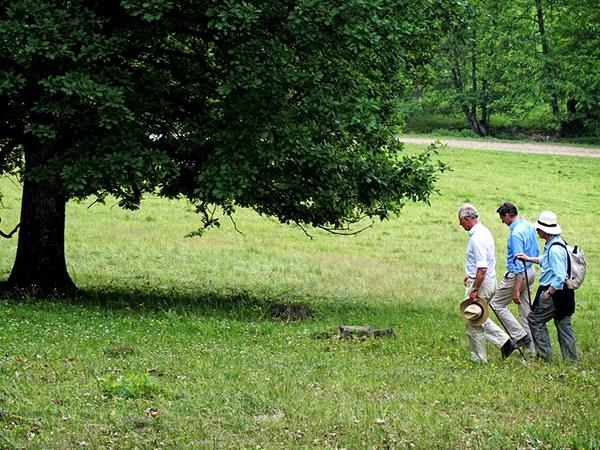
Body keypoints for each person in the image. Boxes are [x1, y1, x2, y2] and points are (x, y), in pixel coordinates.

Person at [458, 204, 517, 363]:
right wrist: (469, 275)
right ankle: (505, 343)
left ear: (467, 219)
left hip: (482, 282)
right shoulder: (483, 232)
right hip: (486, 280)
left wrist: (475, 288)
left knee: (473, 320)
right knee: (478, 316)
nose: (460, 224)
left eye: (461, 221)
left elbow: (482, 268)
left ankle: (479, 358)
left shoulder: (477, 238)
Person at [516, 211, 577, 363]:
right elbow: (548, 261)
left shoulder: (555, 249)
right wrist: (530, 259)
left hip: (554, 293)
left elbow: (560, 276)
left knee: (535, 320)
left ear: (545, 230)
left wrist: (548, 293)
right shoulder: (557, 243)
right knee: (563, 324)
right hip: (565, 294)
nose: (537, 231)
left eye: (539, 229)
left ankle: (544, 357)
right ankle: (571, 361)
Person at [490, 202, 539, 355]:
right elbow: (535, 250)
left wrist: (516, 289)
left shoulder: (516, 233)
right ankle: (532, 350)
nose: (502, 221)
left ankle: (520, 336)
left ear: (507, 215)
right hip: (531, 271)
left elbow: (518, 263)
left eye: (502, 218)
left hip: (519, 274)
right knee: (525, 312)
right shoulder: (528, 225)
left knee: (496, 304)